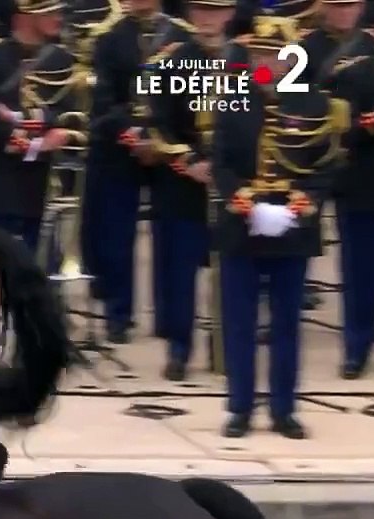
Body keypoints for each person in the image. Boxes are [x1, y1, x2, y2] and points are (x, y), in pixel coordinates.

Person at [211, 11, 348, 439]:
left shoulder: (315, 104)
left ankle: (284, 408)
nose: (264, 61)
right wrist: (245, 203)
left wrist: (299, 206)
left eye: (274, 54)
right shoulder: (232, 98)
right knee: (239, 323)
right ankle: (240, 408)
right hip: (242, 226)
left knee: (287, 324)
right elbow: (220, 162)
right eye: (257, 53)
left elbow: (325, 165)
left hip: (294, 227)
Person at [86, 0, 192, 343]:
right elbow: (103, 99)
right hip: (120, 148)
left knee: (172, 239)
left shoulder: (183, 37)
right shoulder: (108, 37)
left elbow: (191, 98)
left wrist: (162, 141)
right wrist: (132, 134)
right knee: (117, 236)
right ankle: (118, 313)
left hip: (170, 148)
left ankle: (170, 318)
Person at [144, 0, 234, 381]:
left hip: (235, 185)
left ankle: (227, 347)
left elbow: (267, 113)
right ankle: (179, 348)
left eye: (216, 11)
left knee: (232, 273)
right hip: (183, 184)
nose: (208, 19)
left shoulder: (249, 59)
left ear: (229, 15)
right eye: (201, 10)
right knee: (179, 273)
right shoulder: (169, 62)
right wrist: (189, 160)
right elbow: (154, 122)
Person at [303, 0, 374, 378]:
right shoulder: (347, 70)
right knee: (360, 274)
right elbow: (331, 130)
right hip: (363, 183)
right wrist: (371, 122)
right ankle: (356, 348)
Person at [0, 0, 78, 252]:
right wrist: (35, 141)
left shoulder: (61, 60)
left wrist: (19, 122)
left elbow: (66, 113)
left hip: (36, 189)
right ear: (25, 16)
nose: (58, 18)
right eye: (50, 12)